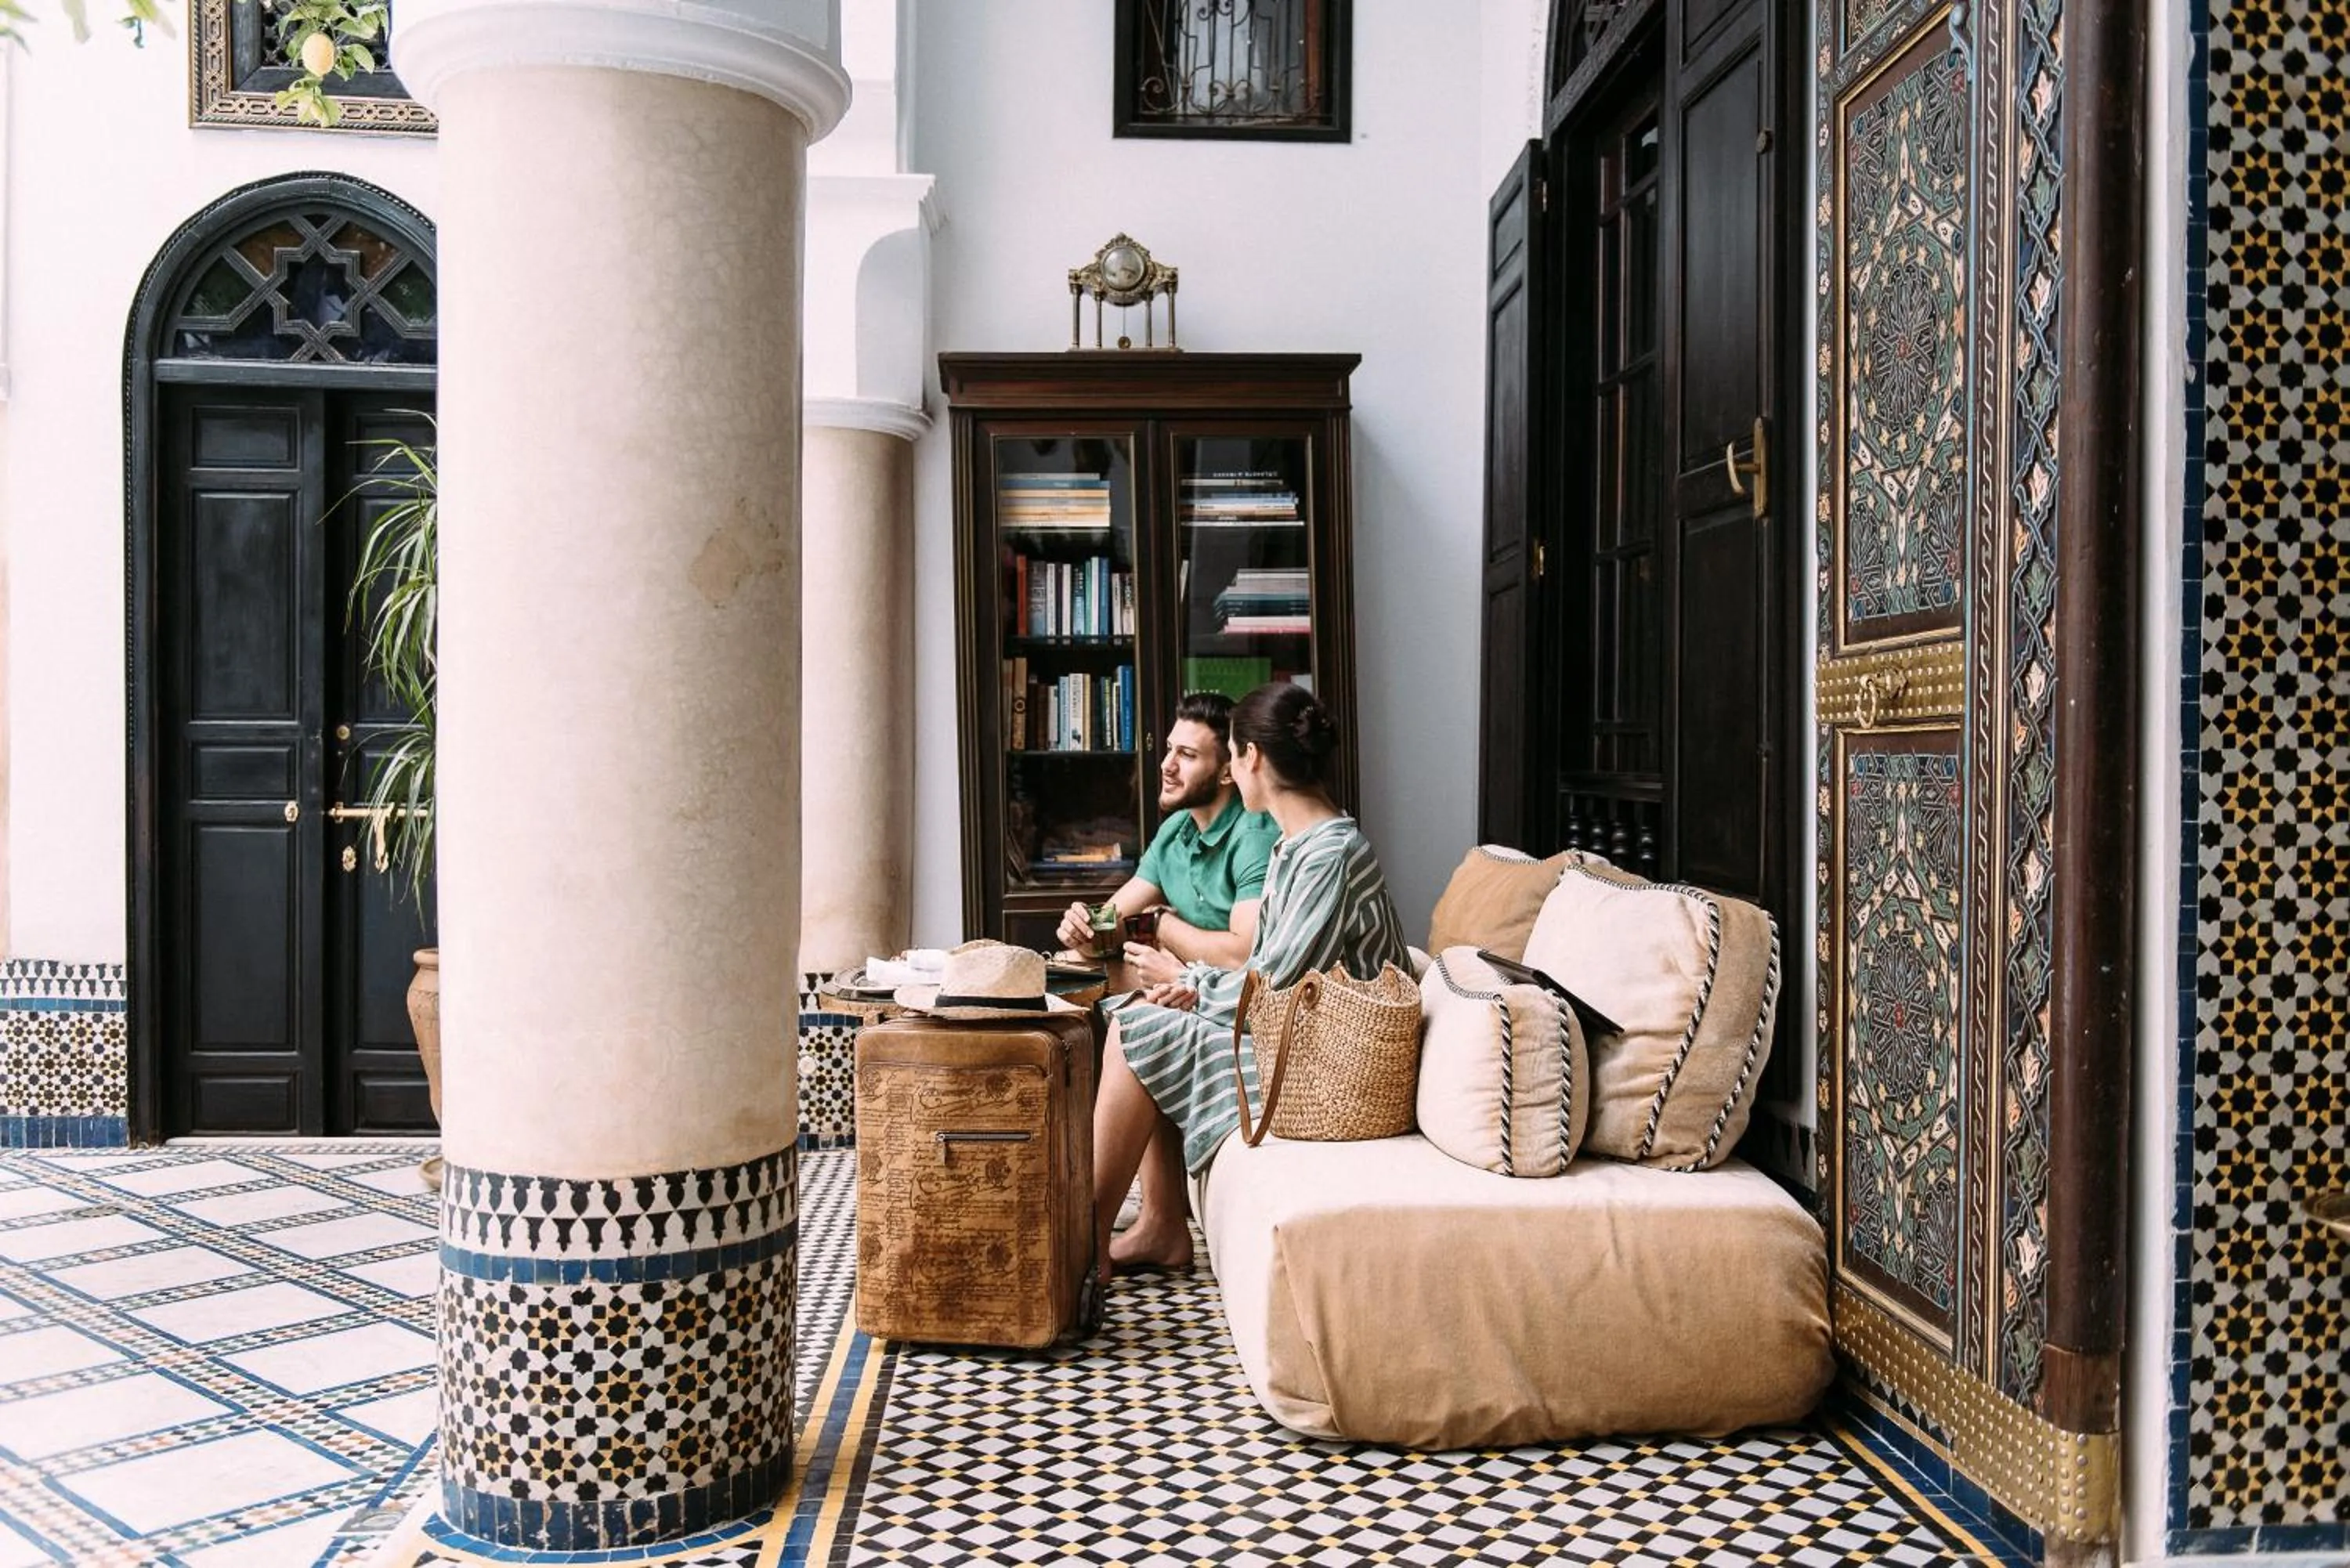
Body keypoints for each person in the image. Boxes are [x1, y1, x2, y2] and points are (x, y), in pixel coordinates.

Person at [1092, 683, 1410, 1280]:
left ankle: (1084, 1243)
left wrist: (1186, 976)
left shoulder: (1329, 855)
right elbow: (1271, 975)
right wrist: (1187, 986)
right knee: (1144, 1016)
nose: (1234, 775)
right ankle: (1136, 1229)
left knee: (1137, 1028)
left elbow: (1273, 989)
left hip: (1340, 1069)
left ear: (1253, 760)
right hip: (1304, 1041)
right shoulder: (1299, 847)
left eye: (1234, 757)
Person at [1053, 691, 1278, 984]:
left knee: (1083, 982)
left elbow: (1241, 957)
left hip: (1227, 999)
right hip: (1180, 981)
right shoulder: (1176, 829)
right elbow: (1111, 926)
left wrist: (1160, 924)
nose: (1166, 765)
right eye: (1170, 749)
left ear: (1228, 772)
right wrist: (1081, 929)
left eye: (1187, 755)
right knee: (1070, 963)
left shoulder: (1254, 835)